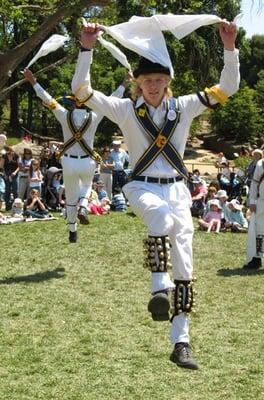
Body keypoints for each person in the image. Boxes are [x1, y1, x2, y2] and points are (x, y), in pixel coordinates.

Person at [72, 20, 239, 369]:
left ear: (168, 83)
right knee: (159, 219)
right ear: (138, 83)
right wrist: (86, 49)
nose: (153, 86)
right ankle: (157, 291)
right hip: (141, 186)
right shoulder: (125, 110)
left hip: (178, 191)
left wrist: (229, 48)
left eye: (159, 81)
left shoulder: (186, 107)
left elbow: (228, 85)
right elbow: (82, 91)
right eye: (147, 81)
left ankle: (181, 342)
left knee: (186, 268)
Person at [23, 68, 129, 243]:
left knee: (70, 196)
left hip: (69, 162)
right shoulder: (94, 116)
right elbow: (112, 101)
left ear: (73, 103)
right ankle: (84, 207)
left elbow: (47, 98)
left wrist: (33, 81)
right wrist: (124, 82)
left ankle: (72, 229)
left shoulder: (64, 115)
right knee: (87, 186)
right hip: (87, 162)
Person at [243, 155, 264, 269]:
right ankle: (256, 259)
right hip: (261, 203)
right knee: (258, 232)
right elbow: (255, 183)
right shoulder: (260, 164)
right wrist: (252, 201)